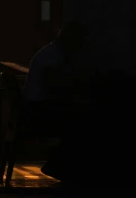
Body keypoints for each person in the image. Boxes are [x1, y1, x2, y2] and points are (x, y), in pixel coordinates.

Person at [22, 22, 92, 179]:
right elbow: (54, 87)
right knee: (80, 120)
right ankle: (59, 165)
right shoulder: (53, 57)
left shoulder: (51, 53)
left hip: (37, 108)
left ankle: (61, 165)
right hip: (39, 110)